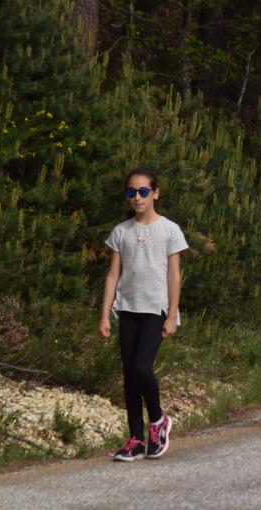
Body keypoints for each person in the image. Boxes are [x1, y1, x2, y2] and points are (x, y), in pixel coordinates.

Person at [99, 168, 188, 461]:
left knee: (141, 369)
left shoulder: (169, 230)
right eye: (131, 192)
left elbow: (174, 276)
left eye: (143, 192)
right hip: (127, 309)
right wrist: (103, 315)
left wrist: (172, 315)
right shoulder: (121, 232)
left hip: (155, 310)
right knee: (129, 376)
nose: (137, 197)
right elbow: (113, 276)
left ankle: (159, 420)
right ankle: (135, 439)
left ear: (155, 193)